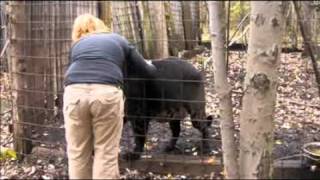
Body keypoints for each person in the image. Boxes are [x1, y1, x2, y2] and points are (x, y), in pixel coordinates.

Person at [63, 13, 156, 179]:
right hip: (105, 92)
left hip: (74, 93)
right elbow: (146, 71)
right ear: (102, 27)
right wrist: (149, 64)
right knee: (105, 152)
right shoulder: (118, 39)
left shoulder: (77, 45)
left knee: (77, 152)